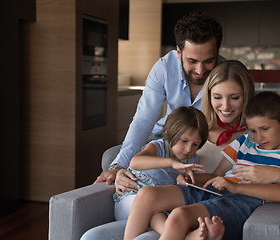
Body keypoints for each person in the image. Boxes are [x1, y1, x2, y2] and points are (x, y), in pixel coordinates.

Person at [123, 91, 280, 240]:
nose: (258, 137)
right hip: (215, 188)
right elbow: (215, 175)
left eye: (265, 129)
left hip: (240, 202)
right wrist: (189, 175)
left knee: (179, 215)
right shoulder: (243, 143)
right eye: (253, 130)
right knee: (147, 194)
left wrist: (236, 186)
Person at [94, 9, 225, 189]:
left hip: (197, 143)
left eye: (208, 61)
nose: (200, 70)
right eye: (192, 61)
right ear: (178, 52)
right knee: (111, 159)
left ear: (217, 53)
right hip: (166, 136)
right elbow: (144, 120)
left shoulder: (226, 74)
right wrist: (118, 166)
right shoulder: (164, 67)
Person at [113, 106, 209, 221]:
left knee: (167, 215)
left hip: (158, 204)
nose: (189, 149)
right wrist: (171, 162)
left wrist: (185, 179)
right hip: (130, 199)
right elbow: (135, 162)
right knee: (154, 212)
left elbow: (190, 187)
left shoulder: (192, 159)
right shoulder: (158, 147)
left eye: (195, 144)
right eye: (184, 141)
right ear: (168, 133)